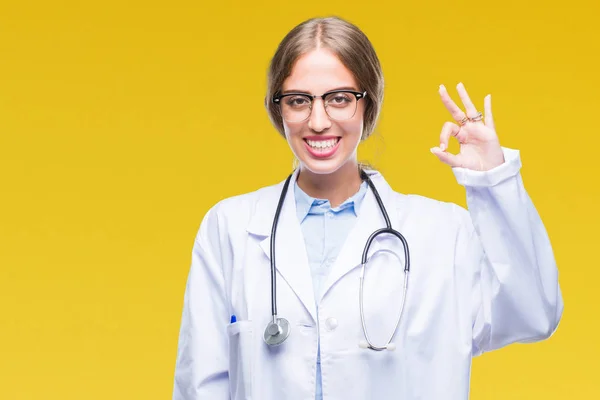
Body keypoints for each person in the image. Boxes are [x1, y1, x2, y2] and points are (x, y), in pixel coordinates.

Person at [171, 16, 563, 400]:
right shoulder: (230, 227)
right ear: (278, 108)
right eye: (298, 101)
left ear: (367, 103)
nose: (319, 121)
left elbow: (535, 314)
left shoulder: (441, 233)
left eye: (339, 98)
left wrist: (494, 181)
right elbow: (199, 386)